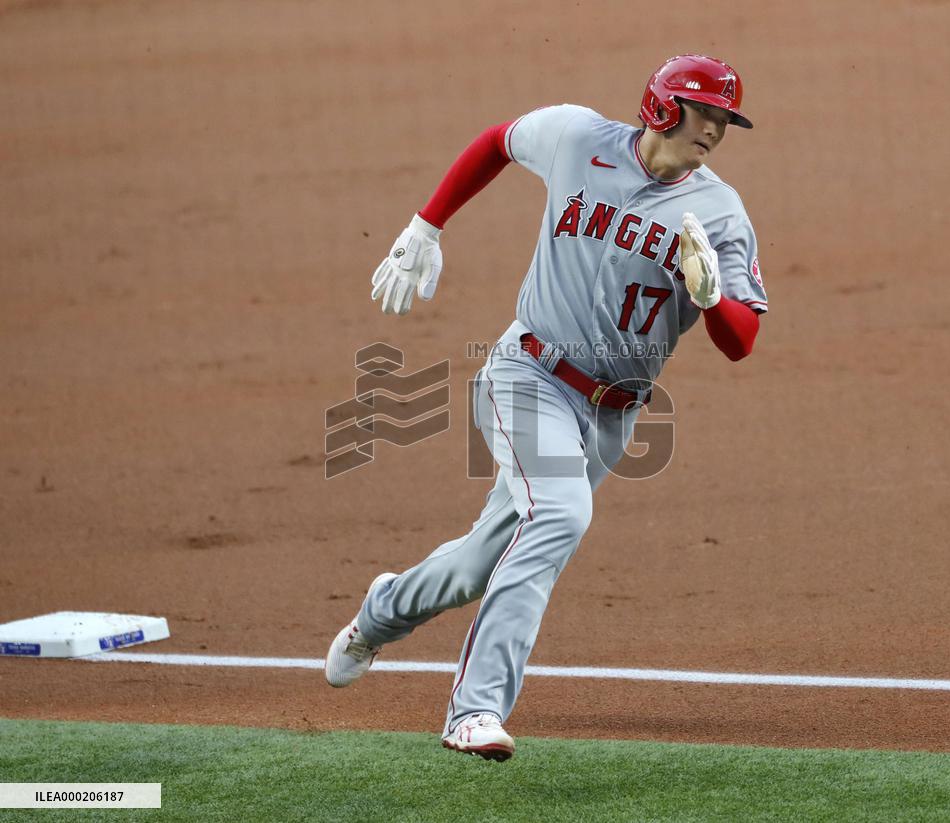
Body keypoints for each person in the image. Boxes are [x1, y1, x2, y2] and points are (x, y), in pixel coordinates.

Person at [325, 54, 768, 761]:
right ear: (661, 107)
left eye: (725, 119)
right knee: (560, 511)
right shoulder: (575, 139)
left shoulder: (719, 213)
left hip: (614, 417)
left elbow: (742, 339)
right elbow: (498, 140)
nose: (716, 129)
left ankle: (382, 611)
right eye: (704, 111)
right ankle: (473, 710)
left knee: (479, 563)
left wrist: (713, 300)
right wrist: (427, 224)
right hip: (530, 374)